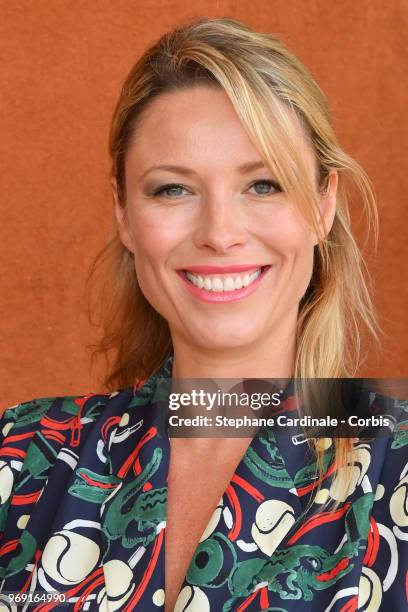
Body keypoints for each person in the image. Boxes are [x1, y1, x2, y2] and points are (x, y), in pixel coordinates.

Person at [0, 16, 406, 612]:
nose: (220, 233)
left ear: (324, 205)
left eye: (264, 184)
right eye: (173, 189)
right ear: (124, 214)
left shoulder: (396, 468)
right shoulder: (21, 460)